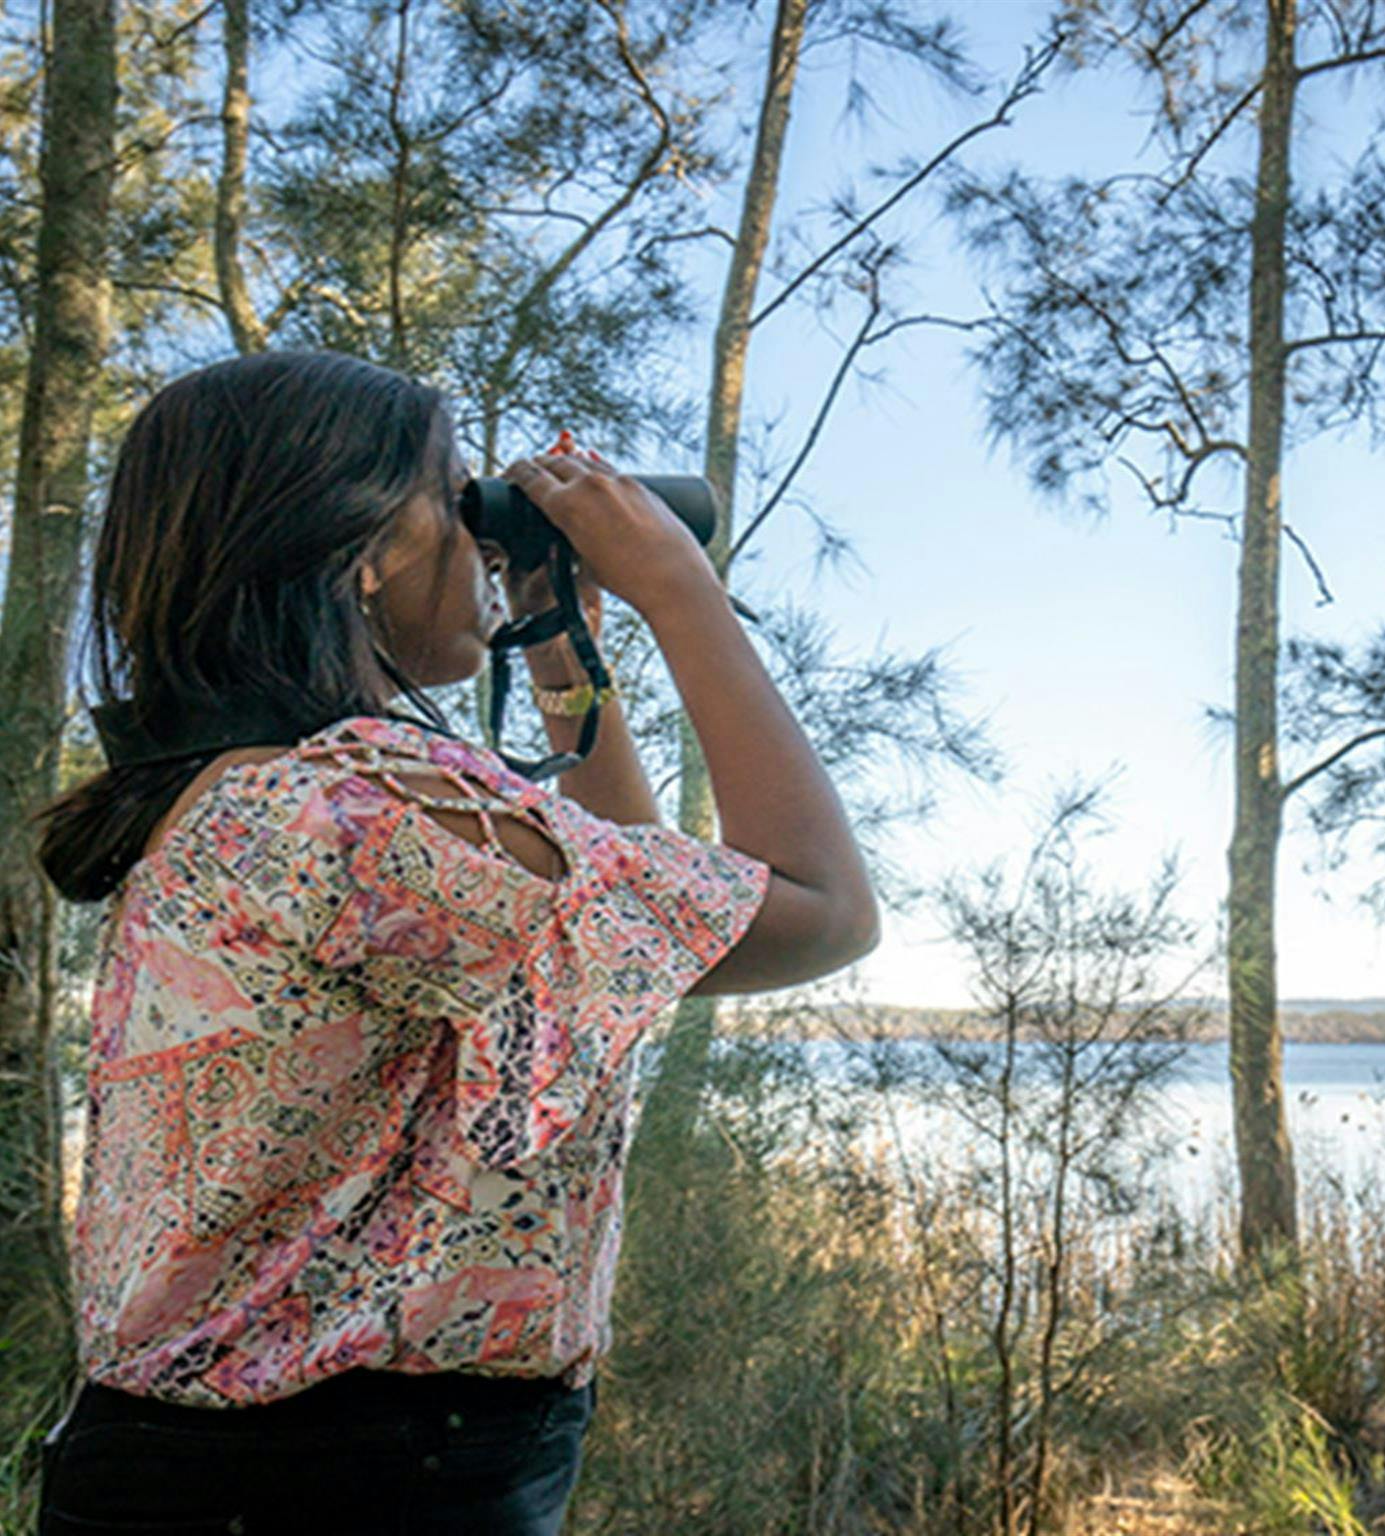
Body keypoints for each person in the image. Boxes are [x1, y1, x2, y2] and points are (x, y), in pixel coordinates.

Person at [30, 350, 879, 1534]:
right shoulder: (360, 809)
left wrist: (553, 649)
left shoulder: (253, 791)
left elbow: (639, 927)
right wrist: (681, 593)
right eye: (459, 497)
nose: (485, 536)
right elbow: (819, 908)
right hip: (342, 1483)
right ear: (363, 551)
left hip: (237, 1472)